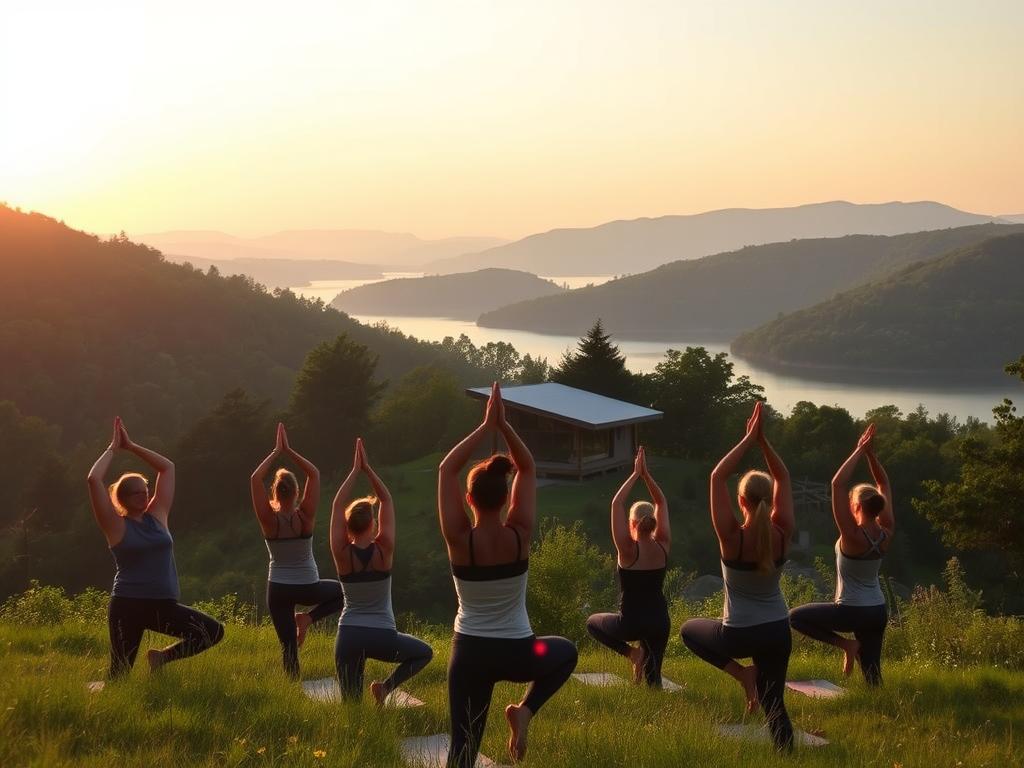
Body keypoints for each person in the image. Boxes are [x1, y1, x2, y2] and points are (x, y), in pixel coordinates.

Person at [438, 383, 577, 767]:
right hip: (522, 653)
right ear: (506, 499)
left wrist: (486, 426)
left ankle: (516, 719)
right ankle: (526, 711)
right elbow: (528, 466)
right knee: (564, 651)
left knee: (462, 751)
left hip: (470, 657)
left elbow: (447, 469)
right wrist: (504, 425)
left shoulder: (459, 540)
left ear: (470, 500)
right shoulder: (519, 535)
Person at [680, 401, 795, 752]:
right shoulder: (783, 532)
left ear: (740, 501)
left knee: (689, 630)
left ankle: (742, 674)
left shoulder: (732, 537)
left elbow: (717, 476)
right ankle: (786, 753)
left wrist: (748, 439)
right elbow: (784, 478)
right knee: (775, 704)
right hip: (778, 630)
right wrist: (763, 442)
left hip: (738, 636)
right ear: (769, 501)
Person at [87, 417, 224, 679]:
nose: (144, 495)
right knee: (119, 675)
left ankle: (162, 657)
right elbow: (94, 480)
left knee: (213, 631)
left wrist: (132, 446)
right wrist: (113, 449)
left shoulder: (158, 515)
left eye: (145, 489)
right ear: (123, 498)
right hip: (127, 605)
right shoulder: (115, 525)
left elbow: (168, 468)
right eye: (137, 493)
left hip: (163, 605)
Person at [789, 424, 893, 685]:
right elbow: (884, 483)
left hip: (850, 610)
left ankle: (846, 645)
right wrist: (871, 456)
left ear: (856, 506)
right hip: (877, 610)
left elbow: (837, 484)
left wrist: (860, 449)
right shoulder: (886, 532)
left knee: (796, 617)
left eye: (851, 502)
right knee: (872, 676)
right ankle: (879, 710)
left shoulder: (852, 535)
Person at [331, 438, 432, 703]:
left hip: (349, 634)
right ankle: (385, 687)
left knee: (351, 708)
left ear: (348, 525)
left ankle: (365, 722)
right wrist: (368, 469)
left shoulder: (342, 554)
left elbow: (335, 505)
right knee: (424, 653)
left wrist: (354, 472)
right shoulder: (384, 550)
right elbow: (386, 499)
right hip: (382, 636)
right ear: (373, 524)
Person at [251, 423, 342, 680]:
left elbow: (254, 478)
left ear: (275, 492)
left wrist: (275, 451)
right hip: (308, 585)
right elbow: (313, 473)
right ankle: (308, 619)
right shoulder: (306, 517)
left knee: (288, 649)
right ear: (297, 491)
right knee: (344, 592)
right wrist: (289, 451)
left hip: (278, 589)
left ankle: (294, 688)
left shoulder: (269, 520)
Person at [586, 446, 671, 687]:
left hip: (631, 624)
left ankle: (632, 654)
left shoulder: (627, 549)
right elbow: (661, 501)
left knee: (592, 622)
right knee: (654, 682)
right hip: (659, 622)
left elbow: (616, 504)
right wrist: (647, 476)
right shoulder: (663, 545)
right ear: (653, 523)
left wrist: (635, 474)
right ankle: (644, 668)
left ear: (631, 523)